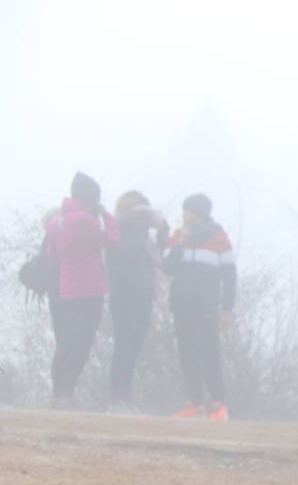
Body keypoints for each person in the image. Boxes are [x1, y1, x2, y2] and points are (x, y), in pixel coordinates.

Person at [45, 172, 119, 409]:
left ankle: (56, 393)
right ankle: (67, 393)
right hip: (90, 287)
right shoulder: (86, 220)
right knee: (82, 341)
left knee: (65, 340)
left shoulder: (57, 221)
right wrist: (107, 215)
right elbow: (112, 241)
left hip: (65, 288)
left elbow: (52, 258)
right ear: (91, 198)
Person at [163, 193, 235, 420]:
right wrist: (180, 245)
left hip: (206, 305)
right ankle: (194, 402)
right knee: (186, 353)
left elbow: (230, 276)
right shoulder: (177, 237)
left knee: (209, 352)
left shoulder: (220, 239)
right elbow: (168, 267)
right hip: (181, 304)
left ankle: (217, 402)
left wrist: (227, 309)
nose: (184, 215)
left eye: (188, 211)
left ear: (199, 214)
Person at [106, 190, 168, 413]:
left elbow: (160, 257)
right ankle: (116, 399)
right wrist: (142, 225)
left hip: (143, 293)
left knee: (134, 347)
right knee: (124, 345)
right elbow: (129, 252)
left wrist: (163, 230)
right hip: (125, 293)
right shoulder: (119, 228)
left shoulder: (143, 235)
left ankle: (125, 397)